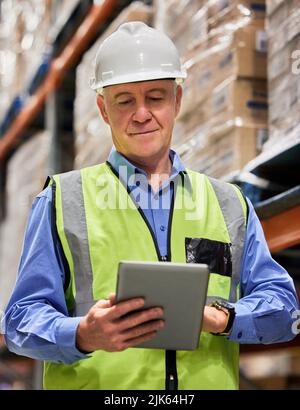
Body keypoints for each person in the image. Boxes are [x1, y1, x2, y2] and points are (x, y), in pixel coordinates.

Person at [2, 22, 299, 390]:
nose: (141, 114)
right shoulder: (62, 199)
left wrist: (221, 317)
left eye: (155, 97)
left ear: (177, 100)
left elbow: (285, 311)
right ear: (103, 109)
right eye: (124, 100)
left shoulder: (229, 204)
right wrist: (82, 334)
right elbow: (19, 323)